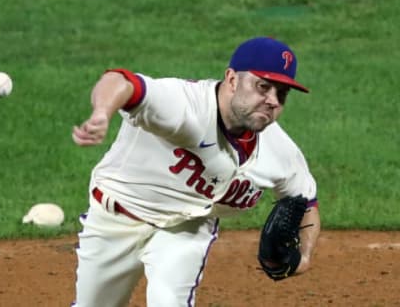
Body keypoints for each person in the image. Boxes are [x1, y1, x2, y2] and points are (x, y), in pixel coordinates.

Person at [71, 37, 321, 307]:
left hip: (184, 231)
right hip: (116, 216)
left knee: (168, 301)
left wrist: (303, 259)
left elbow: (305, 201)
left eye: (281, 94)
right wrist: (102, 112)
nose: (272, 100)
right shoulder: (183, 106)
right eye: (263, 86)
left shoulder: (281, 152)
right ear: (232, 80)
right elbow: (119, 81)